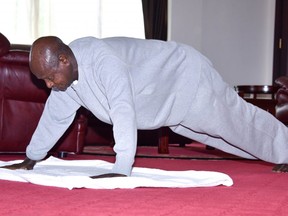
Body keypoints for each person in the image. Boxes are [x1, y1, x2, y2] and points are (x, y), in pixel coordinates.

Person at [1, 36, 288, 178]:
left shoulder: (102, 62)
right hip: (169, 103)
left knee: (238, 124)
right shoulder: (67, 80)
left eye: (50, 77)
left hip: (186, 78)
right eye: (44, 80)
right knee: (226, 139)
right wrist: (32, 157)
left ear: (64, 60)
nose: (49, 85)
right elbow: (54, 116)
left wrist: (122, 166)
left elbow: (123, 110)